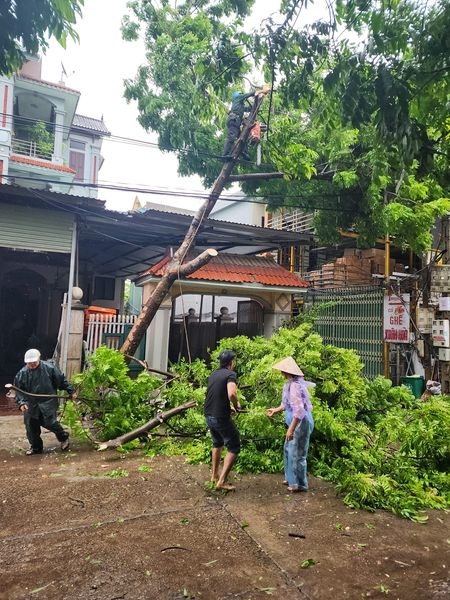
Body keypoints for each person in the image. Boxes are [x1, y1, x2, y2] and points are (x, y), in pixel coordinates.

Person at [13, 348, 77, 455]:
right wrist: (22, 403)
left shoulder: (49, 368)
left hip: (48, 401)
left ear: (39, 359)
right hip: (31, 404)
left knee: (50, 422)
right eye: (29, 363)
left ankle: (63, 437)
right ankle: (36, 448)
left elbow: (61, 381)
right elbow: (18, 390)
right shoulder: (22, 373)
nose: (32, 365)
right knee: (31, 425)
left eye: (34, 362)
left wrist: (71, 391)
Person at [266, 357, 314, 493]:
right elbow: (286, 404)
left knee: (297, 453)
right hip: (294, 420)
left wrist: (291, 430)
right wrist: (275, 410)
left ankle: (299, 484)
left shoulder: (296, 386)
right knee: (288, 449)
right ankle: (290, 478)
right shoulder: (289, 384)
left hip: (300, 422)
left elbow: (299, 411)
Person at [204, 349, 241, 491]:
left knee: (217, 443)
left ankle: (214, 476)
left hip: (208, 414)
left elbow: (215, 394)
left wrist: (227, 408)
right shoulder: (231, 374)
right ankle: (222, 481)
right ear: (231, 362)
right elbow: (231, 393)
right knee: (234, 446)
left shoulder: (214, 373)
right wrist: (236, 404)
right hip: (219, 417)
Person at [222, 84, 270, 160]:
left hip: (236, 123)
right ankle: (225, 155)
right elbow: (248, 94)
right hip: (234, 121)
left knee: (243, 137)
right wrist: (261, 91)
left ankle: (244, 152)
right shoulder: (238, 98)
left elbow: (249, 109)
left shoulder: (239, 105)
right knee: (231, 137)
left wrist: (258, 100)